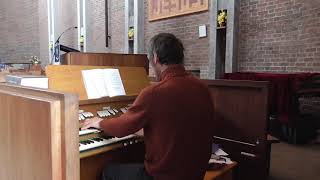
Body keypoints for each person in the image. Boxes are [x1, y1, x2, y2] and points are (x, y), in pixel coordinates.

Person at [82, 33, 215, 180]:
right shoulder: (202, 88)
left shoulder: (155, 93)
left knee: (109, 171)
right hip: (194, 174)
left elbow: (120, 128)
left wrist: (99, 122)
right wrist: (142, 130)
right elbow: (173, 128)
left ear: (156, 57)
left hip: (164, 176)